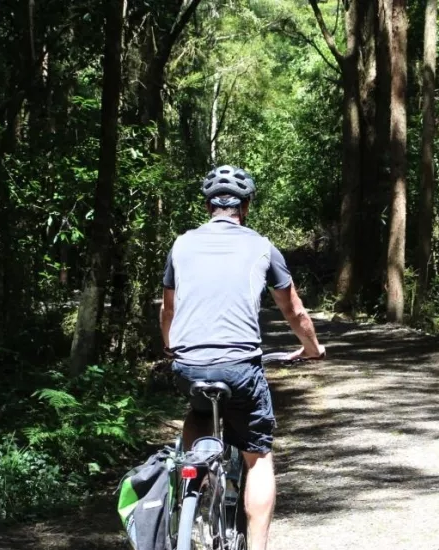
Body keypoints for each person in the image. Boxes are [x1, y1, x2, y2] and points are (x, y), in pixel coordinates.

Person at [160, 164, 325, 550]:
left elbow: (168, 311)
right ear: (245, 207)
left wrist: (170, 347)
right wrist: (312, 348)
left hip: (189, 366)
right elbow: (294, 310)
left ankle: (188, 493)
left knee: (199, 413)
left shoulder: (181, 244)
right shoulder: (262, 246)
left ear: (207, 207)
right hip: (240, 369)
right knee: (259, 457)